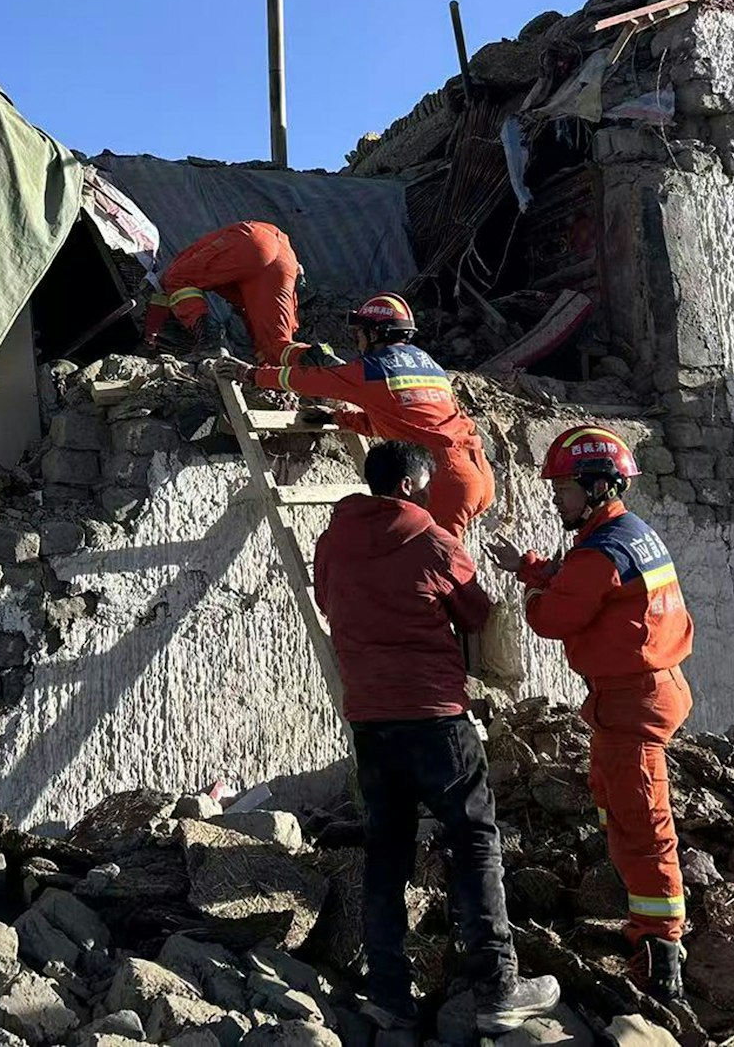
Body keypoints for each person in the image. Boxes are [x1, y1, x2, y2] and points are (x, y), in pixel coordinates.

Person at [312, 439, 560, 1035]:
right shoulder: (432, 542)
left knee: (387, 851)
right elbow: (477, 614)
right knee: (474, 841)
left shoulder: (332, 540)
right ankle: (498, 986)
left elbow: (327, 600)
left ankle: (389, 994)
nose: (430, 495)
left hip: (370, 720)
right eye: (425, 486)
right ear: (406, 487)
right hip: (437, 718)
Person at [483, 425, 696, 1005]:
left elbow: (555, 616)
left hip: (633, 701)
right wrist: (529, 567)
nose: (556, 498)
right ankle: (642, 921)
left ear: (599, 486)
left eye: (564, 488)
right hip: (639, 692)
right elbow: (584, 584)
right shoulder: (624, 535)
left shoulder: (602, 549)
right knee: (616, 801)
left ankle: (660, 952)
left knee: (643, 824)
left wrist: (528, 597)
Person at [214, 292, 495, 537]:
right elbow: (402, 422)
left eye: (360, 333)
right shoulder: (429, 365)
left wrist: (251, 374)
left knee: (432, 576)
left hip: (443, 480)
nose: (358, 341)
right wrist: (339, 419)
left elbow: (308, 379)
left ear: (375, 334)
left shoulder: (372, 370)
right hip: (478, 473)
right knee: (433, 566)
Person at [143, 220, 329, 365]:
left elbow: (165, 288)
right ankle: (323, 360)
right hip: (286, 259)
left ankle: (211, 340)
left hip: (252, 240)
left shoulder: (179, 263)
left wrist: (150, 337)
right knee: (276, 346)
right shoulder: (233, 285)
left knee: (176, 278)